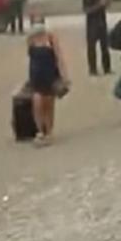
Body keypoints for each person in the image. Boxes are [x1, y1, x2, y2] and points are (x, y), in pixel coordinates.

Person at [27, 15, 70, 147]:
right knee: (37, 103)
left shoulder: (51, 38)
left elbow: (59, 57)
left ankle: (49, 132)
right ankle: (40, 131)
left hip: (50, 75)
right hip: (36, 77)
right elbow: (31, 58)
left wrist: (64, 76)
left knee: (48, 105)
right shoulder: (30, 39)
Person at [83, 0, 112, 76]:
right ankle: (93, 69)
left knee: (105, 47)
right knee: (91, 48)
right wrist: (99, 5)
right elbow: (87, 10)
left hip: (102, 24)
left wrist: (107, 0)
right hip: (92, 25)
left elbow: (107, 6)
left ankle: (107, 68)